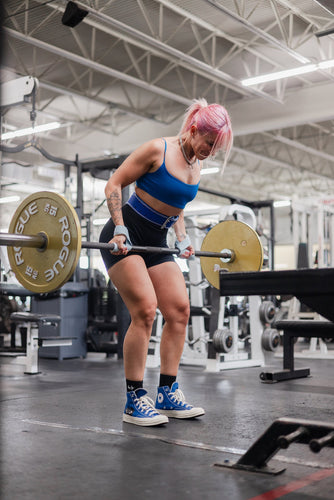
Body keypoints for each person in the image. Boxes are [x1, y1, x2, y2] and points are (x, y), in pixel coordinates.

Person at [99, 98, 233, 426]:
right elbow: (114, 183)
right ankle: (134, 400)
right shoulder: (156, 150)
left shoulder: (196, 165)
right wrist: (118, 228)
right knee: (145, 310)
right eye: (209, 143)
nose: (210, 151)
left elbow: (176, 203)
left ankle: (167, 392)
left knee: (179, 311)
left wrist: (183, 237)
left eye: (216, 147)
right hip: (125, 236)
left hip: (158, 242)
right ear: (193, 129)